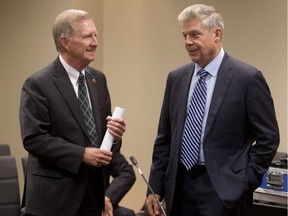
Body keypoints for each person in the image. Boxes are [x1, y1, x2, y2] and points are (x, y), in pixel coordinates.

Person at [146, 4, 279, 216]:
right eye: (185, 35)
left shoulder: (247, 78)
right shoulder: (176, 78)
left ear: (217, 34)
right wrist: (155, 188)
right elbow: (165, 138)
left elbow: (268, 138)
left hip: (223, 191)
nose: (188, 42)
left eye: (195, 35)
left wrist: (244, 180)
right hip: (179, 188)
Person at [19, 9, 126, 216]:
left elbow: (103, 139)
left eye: (96, 36)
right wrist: (82, 154)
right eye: (87, 36)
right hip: (55, 199)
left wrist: (115, 133)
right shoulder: (38, 84)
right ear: (65, 42)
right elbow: (34, 139)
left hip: (93, 194)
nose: (95, 42)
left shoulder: (98, 80)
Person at [102, 144, 136, 216]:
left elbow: (126, 173)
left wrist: (107, 197)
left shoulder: (104, 143)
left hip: (99, 205)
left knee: (127, 214)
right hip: (75, 205)